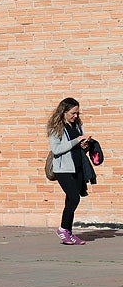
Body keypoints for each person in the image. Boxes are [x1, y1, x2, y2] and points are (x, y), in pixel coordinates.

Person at [48, 97, 96, 246]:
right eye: (73, 113)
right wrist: (76, 141)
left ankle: (68, 233)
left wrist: (85, 144)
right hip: (63, 169)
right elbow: (56, 149)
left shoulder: (77, 126)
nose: (75, 116)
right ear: (64, 112)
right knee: (74, 198)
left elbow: (77, 147)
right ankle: (63, 229)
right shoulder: (55, 128)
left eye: (77, 113)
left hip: (77, 167)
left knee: (70, 200)